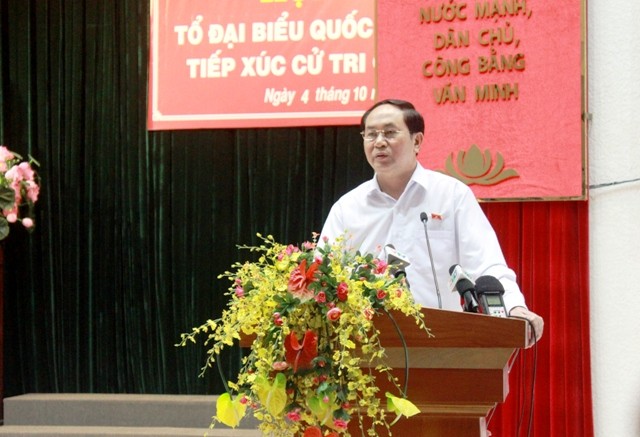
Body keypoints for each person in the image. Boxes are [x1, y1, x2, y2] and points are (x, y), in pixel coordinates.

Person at [319, 99, 544, 344]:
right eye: (371, 134)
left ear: (417, 141)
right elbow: (322, 274)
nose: (379, 142)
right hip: (365, 346)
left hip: (441, 343)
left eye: (390, 132)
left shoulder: (451, 195)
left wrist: (514, 307)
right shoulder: (347, 207)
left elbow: (485, 263)